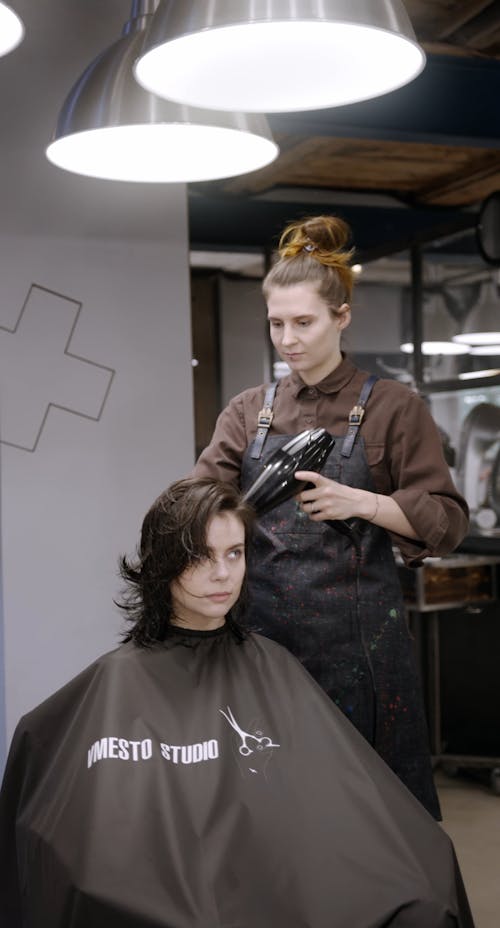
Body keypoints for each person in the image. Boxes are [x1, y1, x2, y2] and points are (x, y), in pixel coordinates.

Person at [0, 478, 477, 928]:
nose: (224, 574)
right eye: (201, 556)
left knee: (425, 897)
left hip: (281, 872)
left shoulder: (273, 666)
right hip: (192, 895)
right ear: (163, 564)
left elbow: (332, 800)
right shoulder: (115, 685)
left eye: (234, 553)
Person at [193, 214, 470, 820]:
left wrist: (366, 503)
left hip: (361, 654)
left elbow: (448, 522)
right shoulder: (248, 412)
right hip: (260, 645)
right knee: (274, 814)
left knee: (371, 816)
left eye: (304, 322)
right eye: (276, 323)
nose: (288, 339)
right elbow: (198, 505)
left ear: (341, 317)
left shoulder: (394, 408)